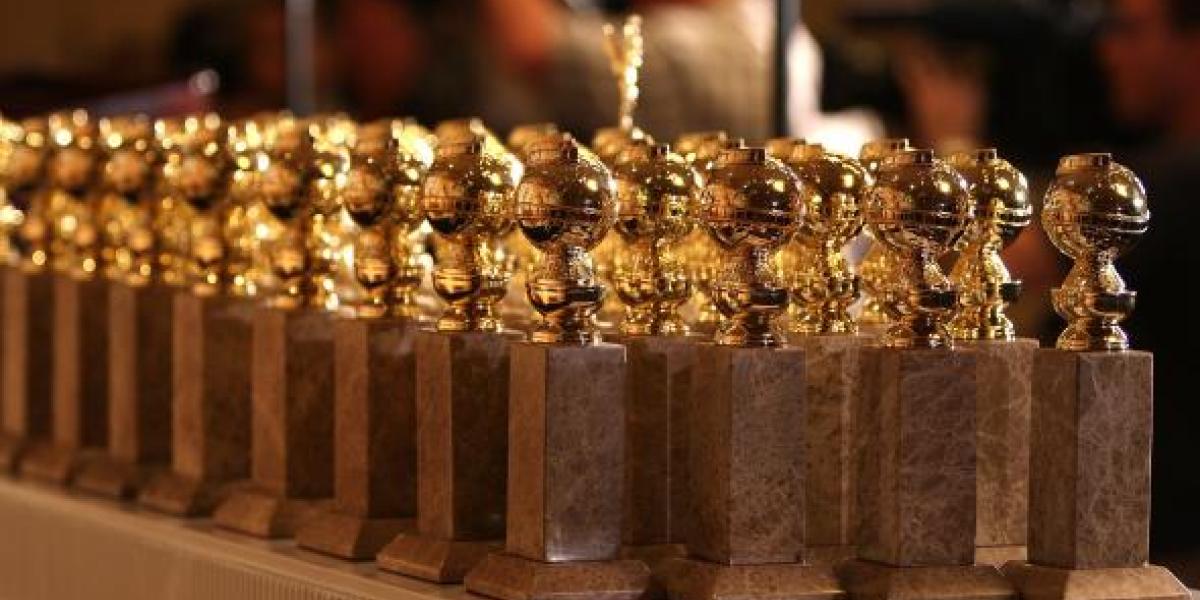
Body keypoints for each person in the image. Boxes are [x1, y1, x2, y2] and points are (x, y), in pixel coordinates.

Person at [1097, 0, 1200, 566]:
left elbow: (1017, 262)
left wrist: (951, 134)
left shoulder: (1175, 181)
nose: (1109, 52)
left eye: (1131, 32)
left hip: (1168, 551)